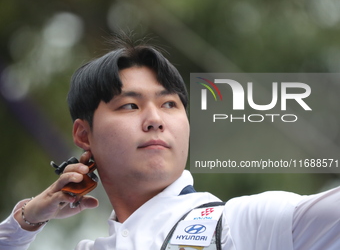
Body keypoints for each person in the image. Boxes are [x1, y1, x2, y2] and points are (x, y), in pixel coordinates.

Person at [1, 36, 340, 250]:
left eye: (170, 105)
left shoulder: (245, 224)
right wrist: (26, 220)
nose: (155, 119)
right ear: (83, 135)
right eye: (130, 105)